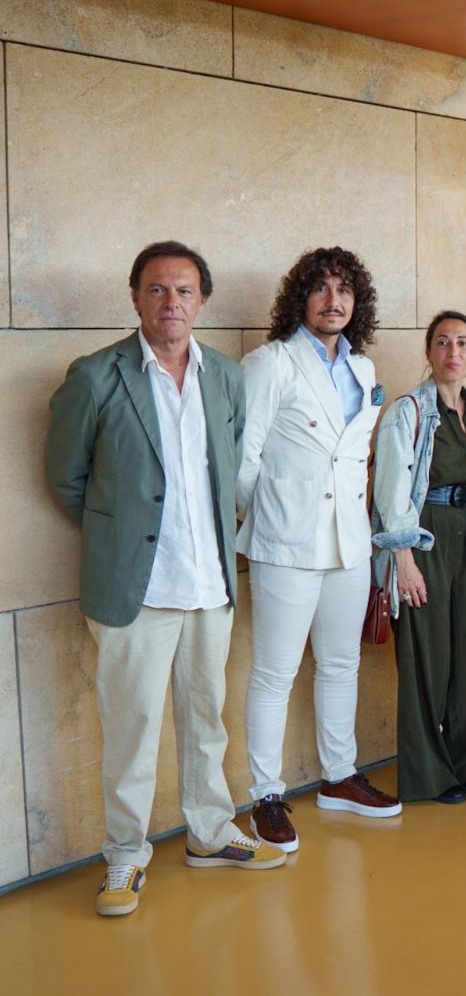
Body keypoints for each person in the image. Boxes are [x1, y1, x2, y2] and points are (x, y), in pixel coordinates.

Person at [45, 241, 284, 917]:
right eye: (156, 290)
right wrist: (119, 535)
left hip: (210, 582)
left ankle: (209, 832)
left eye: (183, 291)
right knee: (132, 726)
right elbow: (66, 477)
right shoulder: (96, 376)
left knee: (208, 720)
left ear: (200, 300)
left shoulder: (226, 378)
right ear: (135, 298)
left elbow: (228, 465)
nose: (170, 302)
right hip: (137, 589)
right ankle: (124, 854)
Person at [239, 246, 401, 854]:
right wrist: (275, 516)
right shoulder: (269, 364)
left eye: (345, 292)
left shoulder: (362, 369)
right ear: (300, 298)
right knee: (274, 673)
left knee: (341, 665)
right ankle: (266, 796)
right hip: (286, 541)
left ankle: (338, 777)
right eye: (321, 290)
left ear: (356, 304)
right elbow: (243, 461)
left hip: (348, 544)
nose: (334, 302)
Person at [371, 311, 466, 804]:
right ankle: (430, 775)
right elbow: (390, 492)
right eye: (443, 342)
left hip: (465, 533)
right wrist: (402, 558)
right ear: (428, 352)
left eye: (463, 343)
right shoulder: (409, 412)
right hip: (420, 536)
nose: (453, 352)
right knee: (425, 656)